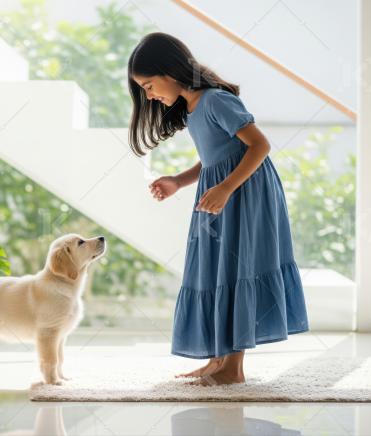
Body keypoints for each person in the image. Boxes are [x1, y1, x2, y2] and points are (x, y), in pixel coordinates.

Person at [127, 32, 309, 385]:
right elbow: (214, 159)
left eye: (149, 85)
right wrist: (178, 181)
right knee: (214, 270)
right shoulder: (193, 109)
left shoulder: (216, 101)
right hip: (221, 191)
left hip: (245, 193)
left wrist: (226, 188)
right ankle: (216, 360)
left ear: (170, 71)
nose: (149, 95)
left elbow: (259, 146)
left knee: (234, 269)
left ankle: (232, 367)